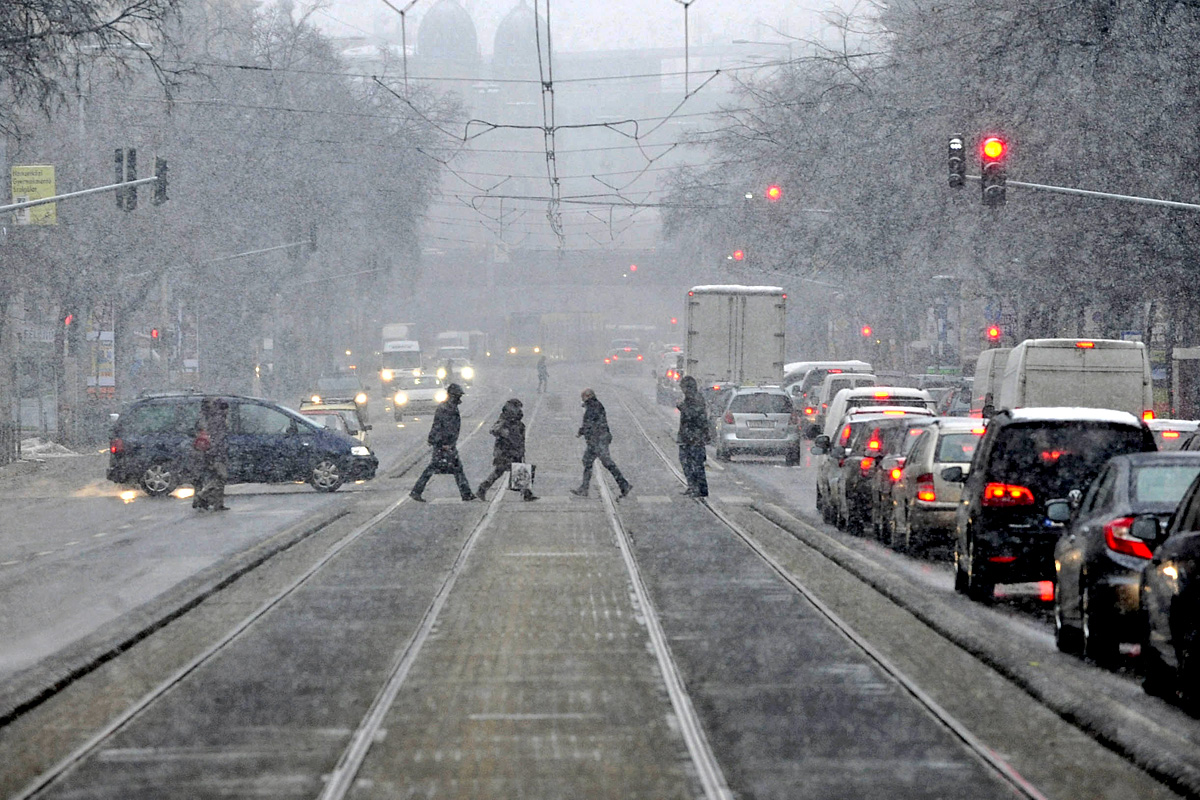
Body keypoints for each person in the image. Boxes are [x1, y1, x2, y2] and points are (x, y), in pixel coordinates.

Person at [410, 383, 477, 502]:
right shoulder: (447, 409)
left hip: (446, 443)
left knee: (453, 468)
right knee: (437, 467)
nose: (459, 398)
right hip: (444, 444)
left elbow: (440, 426)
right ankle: (416, 491)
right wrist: (444, 443)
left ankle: (466, 493)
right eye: (458, 396)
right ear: (452, 395)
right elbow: (443, 427)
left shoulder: (449, 407)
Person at [571, 388, 632, 499]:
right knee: (590, 461)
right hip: (598, 439)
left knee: (605, 463)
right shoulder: (594, 405)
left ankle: (624, 484)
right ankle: (623, 484)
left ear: (588, 396)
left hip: (598, 440)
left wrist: (582, 431)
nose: (582, 400)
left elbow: (591, 423)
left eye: (583, 397)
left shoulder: (593, 406)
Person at [476, 398, 537, 501]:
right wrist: (504, 433)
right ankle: (482, 489)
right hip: (505, 450)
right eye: (517, 407)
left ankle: (526, 493)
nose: (519, 410)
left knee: (516, 469)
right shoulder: (505, 419)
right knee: (502, 470)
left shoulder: (515, 420)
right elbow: (494, 429)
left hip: (514, 449)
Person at [193, 397, 230, 511]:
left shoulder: (210, 417)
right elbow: (217, 439)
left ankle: (216, 503)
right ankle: (202, 495)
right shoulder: (219, 420)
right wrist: (216, 453)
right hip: (216, 454)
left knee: (214, 477)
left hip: (210, 453)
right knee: (221, 477)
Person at [676, 375, 710, 497]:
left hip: (693, 438)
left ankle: (699, 488)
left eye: (683, 387)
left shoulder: (695, 399)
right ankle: (694, 486)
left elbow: (693, 415)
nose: (682, 390)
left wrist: (681, 406)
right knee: (689, 463)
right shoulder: (692, 398)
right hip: (690, 437)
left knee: (693, 463)